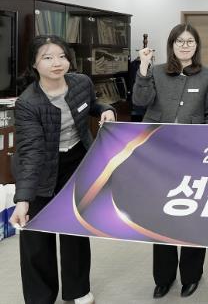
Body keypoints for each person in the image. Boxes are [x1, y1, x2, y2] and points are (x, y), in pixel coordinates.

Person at [10, 35, 116, 304]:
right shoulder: (28, 103)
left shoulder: (81, 83)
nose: (57, 63)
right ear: (34, 64)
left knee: (74, 229)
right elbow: (32, 151)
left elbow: (92, 105)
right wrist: (23, 199)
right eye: (47, 57)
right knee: (36, 235)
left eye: (61, 56)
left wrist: (106, 109)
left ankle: (78, 289)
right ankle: (40, 297)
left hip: (76, 161)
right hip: (39, 168)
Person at [133, 23, 208, 299]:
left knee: (192, 215)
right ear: (171, 45)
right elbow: (140, 100)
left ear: (197, 46)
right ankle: (164, 277)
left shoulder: (207, 75)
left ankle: (192, 275)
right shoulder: (157, 72)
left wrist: (202, 146)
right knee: (160, 216)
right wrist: (143, 67)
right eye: (179, 41)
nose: (185, 46)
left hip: (192, 156)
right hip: (158, 154)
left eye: (190, 41)